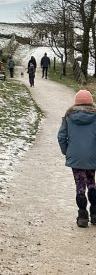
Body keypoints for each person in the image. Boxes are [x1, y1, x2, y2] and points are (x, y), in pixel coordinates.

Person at [57, 88, 96, 227]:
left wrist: (67, 152)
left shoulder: (68, 116)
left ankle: (82, 216)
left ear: (76, 103)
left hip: (76, 158)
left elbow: (61, 137)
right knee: (91, 182)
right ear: (91, 103)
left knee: (80, 185)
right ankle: (95, 214)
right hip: (92, 157)